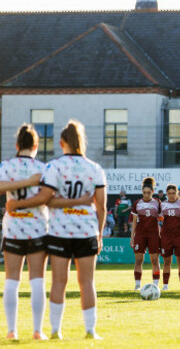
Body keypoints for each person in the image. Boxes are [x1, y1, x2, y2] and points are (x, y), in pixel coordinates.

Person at [16, 120, 107, 339]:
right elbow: (101, 206)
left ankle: (56, 331)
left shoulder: (54, 167)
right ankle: (90, 331)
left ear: (61, 142)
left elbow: (46, 200)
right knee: (87, 282)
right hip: (86, 230)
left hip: (58, 231)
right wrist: (100, 234)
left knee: (59, 281)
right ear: (81, 142)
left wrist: (62, 201)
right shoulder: (94, 168)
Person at [0, 125, 76, 341]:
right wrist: (31, 182)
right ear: (36, 146)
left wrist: (19, 187)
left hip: (13, 228)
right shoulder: (45, 168)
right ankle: (37, 331)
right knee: (37, 281)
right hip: (38, 229)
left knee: (11, 281)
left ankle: (11, 330)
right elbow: (50, 197)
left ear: (16, 145)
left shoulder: (6, 166)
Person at [130, 177, 162, 290]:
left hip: (154, 234)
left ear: (153, 192)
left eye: (149, 192)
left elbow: (162, 218)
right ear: (142, 192)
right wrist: (132, 237)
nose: (146, 194)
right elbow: (134, 222)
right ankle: (137, 285)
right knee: (138, 260)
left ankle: (156, 284)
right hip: (140, 235)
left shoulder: (157, 202)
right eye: (144, 192)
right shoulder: (137, 203)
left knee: (155, 260)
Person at [160, 184, 180, 291]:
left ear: (177, 193)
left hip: (179, 235)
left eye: (173, 193)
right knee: (167, 261)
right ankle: (165, 285)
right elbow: (159, 218)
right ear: (167, 194)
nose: (171, 196)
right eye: (169, 194)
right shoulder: (162, 205)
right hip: (166, 236)